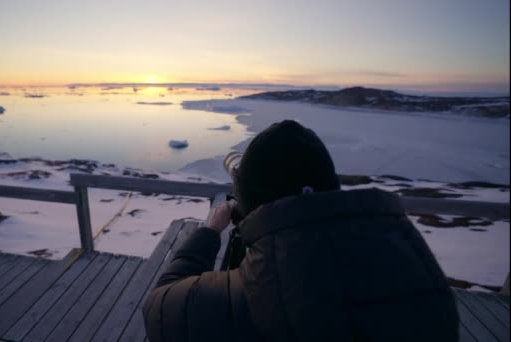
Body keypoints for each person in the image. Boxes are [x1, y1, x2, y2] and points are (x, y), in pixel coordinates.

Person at [143, 120, 459, 342]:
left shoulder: (241, 302)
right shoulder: (418, 277)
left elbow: (160, 304)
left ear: (251, 203)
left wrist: (210, 232)